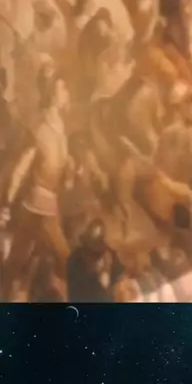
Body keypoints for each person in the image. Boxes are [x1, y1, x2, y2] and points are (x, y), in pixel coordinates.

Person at [1, 70, 71, 301]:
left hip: (51, 203)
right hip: (37, 206)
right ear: (53, 95)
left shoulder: (61, 128)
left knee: (23, 255)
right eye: (63, 89)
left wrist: (70, 171)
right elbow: (21, 168)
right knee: (59, 254)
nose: (67, 94)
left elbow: (60, 164)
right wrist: (7, 204)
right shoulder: (40, 130)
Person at [66, 218, 125, 302]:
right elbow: (75, 291)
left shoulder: (109, 255)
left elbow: (119, 275)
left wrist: (108, 272)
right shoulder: (75, 260)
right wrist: (95, 276)